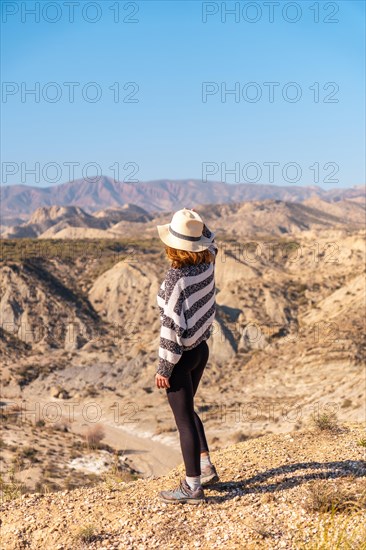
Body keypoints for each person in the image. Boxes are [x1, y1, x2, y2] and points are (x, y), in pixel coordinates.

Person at [155, 207, 219, 504]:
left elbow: (170, 330)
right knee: (189, 409)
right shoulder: (208, 262)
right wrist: (199, 232)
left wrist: (164, 369)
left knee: (183, 420)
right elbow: (212, 242)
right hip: (201, 350)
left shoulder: (174, 279)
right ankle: (205, 467)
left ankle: (192, 487)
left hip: (180, 357)